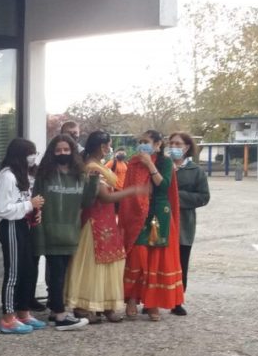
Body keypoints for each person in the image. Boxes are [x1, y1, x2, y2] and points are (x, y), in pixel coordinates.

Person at [65, 131, 147, 322]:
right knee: (93, 264)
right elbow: (105, 196)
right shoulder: (91, 167)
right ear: (103, 146)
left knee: (111, 261)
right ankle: (85, 306)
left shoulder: (99, 164)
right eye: (109, 145)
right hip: (94, 220)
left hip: (107, 218)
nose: (109, 148)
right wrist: (132, 191)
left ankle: (106, 305)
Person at [119, 130, 184, 321]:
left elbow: (163, 186)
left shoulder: (165, 162)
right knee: (138, 256)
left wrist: (150, 164)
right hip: (138, 214)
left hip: (159, 214)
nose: (142, 145)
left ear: (157, 144)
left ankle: (152, 303)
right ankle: (131, 298)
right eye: (140, 141)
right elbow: (129, 190)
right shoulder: (133, 163)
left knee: (157, 256)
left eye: (146, 141)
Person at [31, 135, 90, 331]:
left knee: (61, 275)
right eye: (58, 150)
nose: (62, 153)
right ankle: (60, 314)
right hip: (49, 230)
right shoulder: (44, 174)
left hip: (71, 231)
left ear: (73, 151)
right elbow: (36, 202)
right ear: (51, 152)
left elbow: (87, 202)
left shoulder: (80, 174)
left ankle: (56, 313)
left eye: (66, 150)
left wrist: (95, 180)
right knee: (56, 274)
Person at [0, 138, 45, 335]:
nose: (33, 157)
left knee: (28, 270)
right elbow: (2, 209)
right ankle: (8, 317)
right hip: (11, 227)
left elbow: (24, 202)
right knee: (14, 272)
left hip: (24, 224)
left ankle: (23, 312)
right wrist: (29, 205)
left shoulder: (23, 174)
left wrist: (34, 211)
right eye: (30, 153)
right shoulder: (7, 176)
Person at [169, 132, 210, 316]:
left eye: (178, 144)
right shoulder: (161, 166)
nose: (174, 147)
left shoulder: (196, 171)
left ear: (187, 147)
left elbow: (203, 197)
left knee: (180, 263)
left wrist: (177, 197)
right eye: (171, 143)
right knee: (157, 261)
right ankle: (151, 300)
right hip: (160, 222)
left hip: (184, 224)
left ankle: (177, 301)